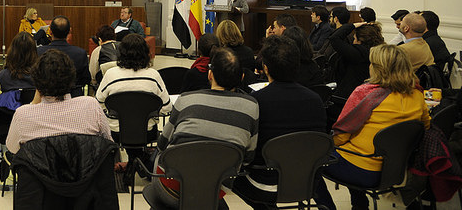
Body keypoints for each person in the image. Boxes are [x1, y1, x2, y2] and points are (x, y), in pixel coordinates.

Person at [314, 45, 431, 210]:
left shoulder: (365, 94)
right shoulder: (418, 95)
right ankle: (359, 205)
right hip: (395, 170)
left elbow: (342, 135)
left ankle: (330, 207)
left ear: (378, 69)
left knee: (311, 162)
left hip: (363, 169)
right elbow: (425, 126)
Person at [150, 47, 258, 207]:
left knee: (159, 155)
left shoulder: (186, 99)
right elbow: (248, 156)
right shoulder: (252, 106)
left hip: (172, 187)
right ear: (241, 77)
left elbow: (162, 144)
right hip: (216, 189)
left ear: (210, 74)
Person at [232, 35, 327, 209]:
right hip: (307, 182)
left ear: (265, 68)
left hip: (264, 184)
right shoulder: (316, 100)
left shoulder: (255, 102)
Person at [6, 49, 111, 154]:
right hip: (84, 170)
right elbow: (107, 142)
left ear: (36, 81)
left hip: (40, 170)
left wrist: (33, 104)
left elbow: (13, 149)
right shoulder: (90, 105)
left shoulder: (22, 115)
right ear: (72, 77)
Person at [96, 33, 172, 137]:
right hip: (147, 132)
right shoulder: (154, 76)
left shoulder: (110, 74)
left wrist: (113, 113)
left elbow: (98, 105)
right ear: (146, 53)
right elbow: (167, 108)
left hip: (116, 133)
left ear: (121, 52)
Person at [330, 19, 384, 100]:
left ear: (360, 40)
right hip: (368, 94)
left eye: (355, 39)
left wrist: (353, 25)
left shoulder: (359, 52)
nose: (353, 41)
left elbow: (334, 38)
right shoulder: (378, 50)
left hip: (348, 95)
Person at [37, 15, 90, 95]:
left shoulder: (39, 52)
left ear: (50, 32)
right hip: (74, 96)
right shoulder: (80, 53)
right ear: (69, 31)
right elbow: (86, 80)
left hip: (46, 96)